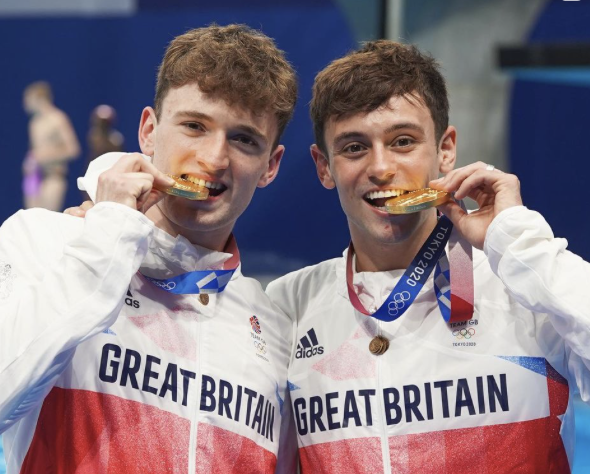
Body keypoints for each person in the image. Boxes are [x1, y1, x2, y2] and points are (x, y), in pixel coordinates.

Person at [265, 40, 590, 473]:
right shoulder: (288, 305)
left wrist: (519, 242)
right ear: (324, 166)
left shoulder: (522, 286)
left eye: (402, 141)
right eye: (354, 147)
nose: (380, 167)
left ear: (446, 149)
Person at [0, 24, 298, 473]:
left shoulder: (273, 328)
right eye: (194, 126)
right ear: (148, 132)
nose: (214, 159)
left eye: (243, 139)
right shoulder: (45, 242)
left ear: (271, 165)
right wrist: (108, 239)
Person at [22, 81, 80, 211]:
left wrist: (45, 156)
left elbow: (73, 150)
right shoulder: (34, 123)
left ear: (40, 99)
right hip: (34, 176)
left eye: (28, 99)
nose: (25, 103)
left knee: (47, 217)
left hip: (54, 176)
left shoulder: (58, 119)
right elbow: (35, 151)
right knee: (31, 217)